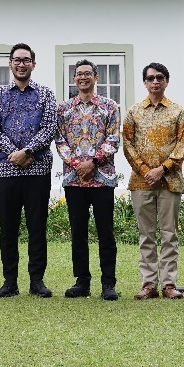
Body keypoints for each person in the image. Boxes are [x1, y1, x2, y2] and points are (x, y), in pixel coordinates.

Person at [0, 42, 58, 298]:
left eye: (26, 60)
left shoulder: (46, 94)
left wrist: (28, 152)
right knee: (8, 228)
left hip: (37, 170)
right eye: (17, 60)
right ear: (10, 64)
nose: (21, 64)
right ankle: (10, 281)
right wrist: (15, 154)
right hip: (6, 171)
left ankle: (37, 281)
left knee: (37, 227)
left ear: (33, 65)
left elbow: (50, 128)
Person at [122, 62, 184, 300]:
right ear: (144, 82)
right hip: (141, 182)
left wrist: (162, 169)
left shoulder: (178, 111)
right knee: (146, 234)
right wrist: (144, 170)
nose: (155, 82)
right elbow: (127, 144)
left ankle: (169, 284)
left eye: (160, 77)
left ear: (167, 81)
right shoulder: (134, 112)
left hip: (170, 180)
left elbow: (182, 144)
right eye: (150, 78)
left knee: (169, 233)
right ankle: (148, 284)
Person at [55, 59, 121, 301]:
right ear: (74, 79)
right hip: (74, 179)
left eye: (88, 74)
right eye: (79, 74)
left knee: (106, 232)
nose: (83, 78)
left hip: (102, 178)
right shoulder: (63, 109)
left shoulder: (110, 106)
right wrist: (77, 165)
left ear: (96, 77)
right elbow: (59, 141)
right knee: (78, 232)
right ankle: (82, 281)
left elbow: (114, 139)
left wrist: (92, 162)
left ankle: (108, 283)